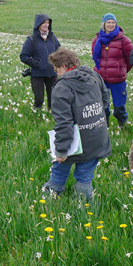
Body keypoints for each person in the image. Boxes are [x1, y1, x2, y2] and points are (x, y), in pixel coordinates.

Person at [41, 48, 111, 202]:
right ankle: (84, 206)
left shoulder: (62, 88)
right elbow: (105, 102)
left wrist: (60, 151)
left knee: (60, 170)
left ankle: (48, 200)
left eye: (57, 69)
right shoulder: (94, 75)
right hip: (98, 137)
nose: (57, 73)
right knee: (85, 175)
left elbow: (64, 123)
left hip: (75, 142)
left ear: (64, 66)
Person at [91, 13, 133, 128]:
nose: (111, 24)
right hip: (101, 79)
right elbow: (96, 57)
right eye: (108, 22)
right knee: (103, 106)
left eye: (113, 22)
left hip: (117, 80)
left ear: (116, 23)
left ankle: (122, 126)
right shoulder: (97, 40)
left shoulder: (124, 40)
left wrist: (122, 70)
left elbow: (130, 59)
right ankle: (105, 127)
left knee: (119, 107)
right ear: (104, 24)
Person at [20, 14, 61, 109]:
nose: (46, 25)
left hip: (52, 74)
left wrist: (57, 65)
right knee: (39, 99)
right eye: (44, 23)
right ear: (38, 24)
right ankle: (36, 116)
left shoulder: (52, 37)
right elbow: (23, 56)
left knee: (53, 99)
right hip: (37, 74)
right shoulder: (31, 39)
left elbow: (60, 51)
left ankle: (51, 115)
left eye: (48, 23)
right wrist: (35, 64)